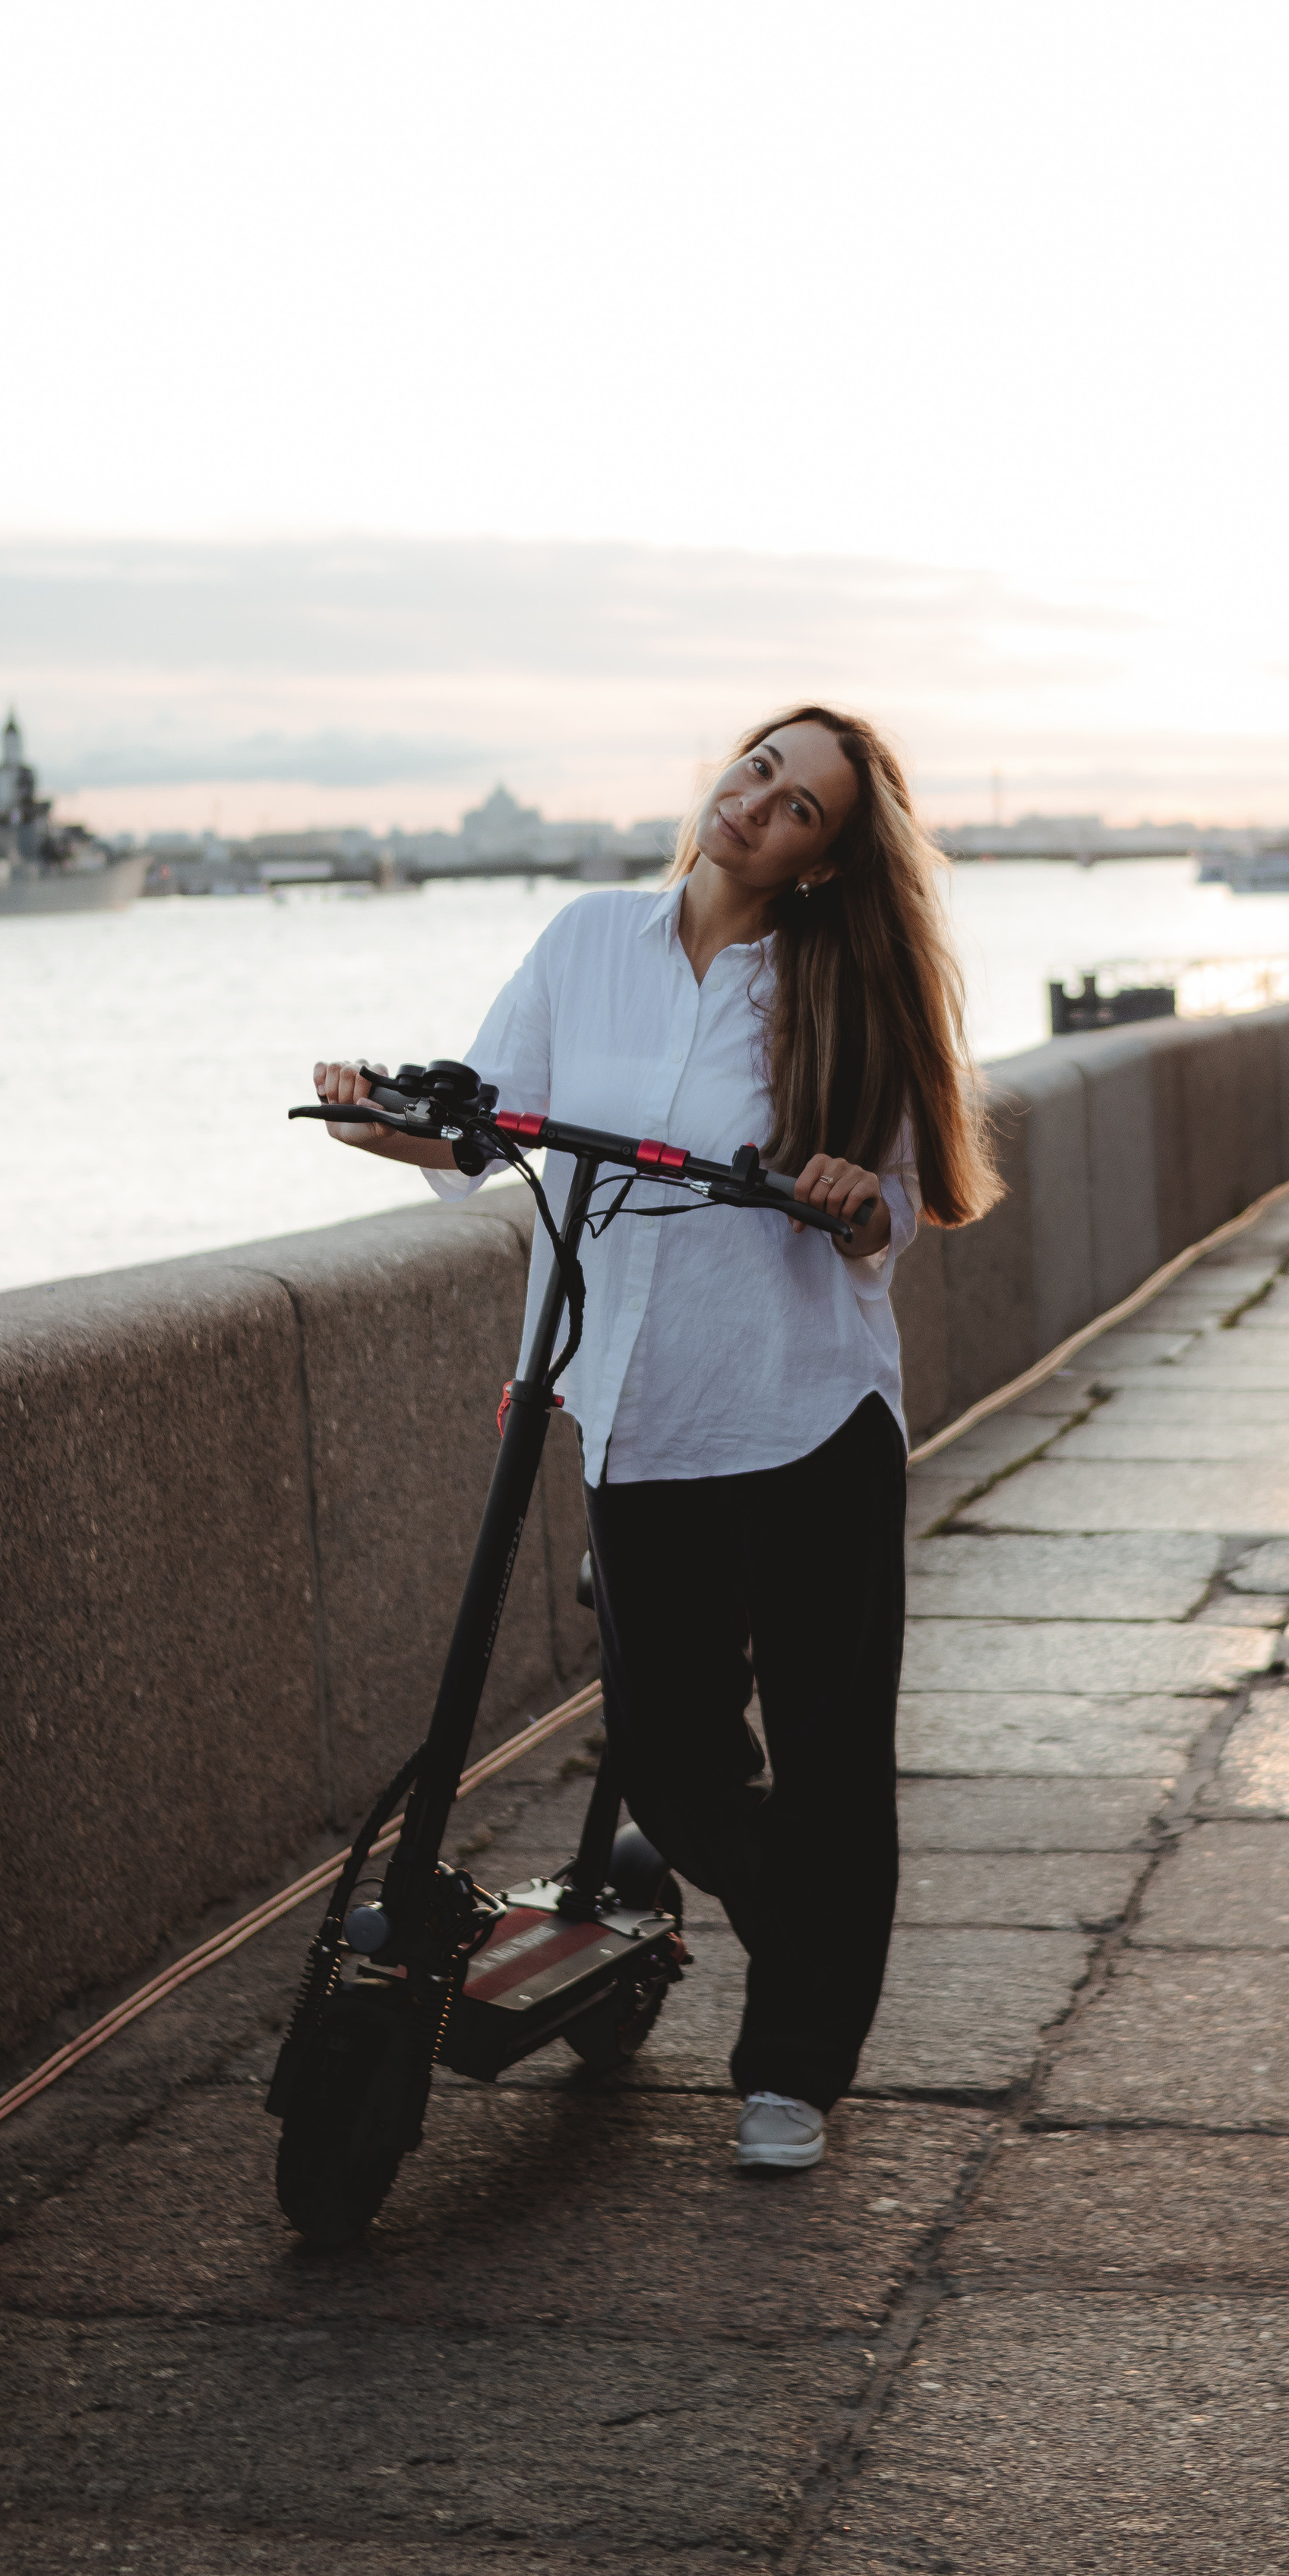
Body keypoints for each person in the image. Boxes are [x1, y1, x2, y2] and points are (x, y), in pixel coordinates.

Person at [311, 706, 1000, 2170]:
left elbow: (890, 1209)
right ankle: (809, 1920)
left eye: (800, 806)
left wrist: (856, 1198)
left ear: (824, 860)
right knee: (675, 1759)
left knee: (828, 1758)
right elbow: (489, 1129)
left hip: (806, 1413)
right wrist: (384, 1117)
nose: (758, 804)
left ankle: (794, 2073)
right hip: (638, 1413)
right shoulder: (584, 944)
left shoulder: (841, 989)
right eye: (758, 770)